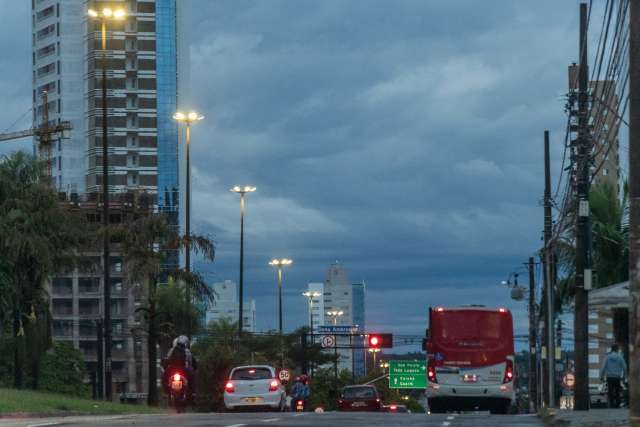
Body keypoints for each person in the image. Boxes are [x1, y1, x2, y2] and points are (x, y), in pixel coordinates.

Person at [600, 344, 626, 408]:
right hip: (617, 377)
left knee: (610, 391)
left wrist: (601, 376)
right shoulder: (620, 357)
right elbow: (624, 367)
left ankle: (611, 404)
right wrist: (624, 376)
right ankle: (617, 404)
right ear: (617, 349)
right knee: (617, 391)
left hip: (609, 377)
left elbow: (603, 367)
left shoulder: (607, 357)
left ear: (611, 349)